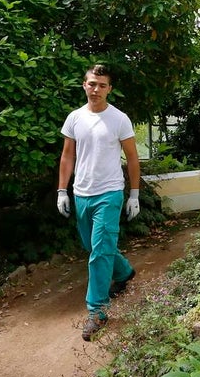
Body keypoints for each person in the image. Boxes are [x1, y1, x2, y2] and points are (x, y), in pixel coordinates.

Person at [56, 64, 141, 341]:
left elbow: (132, 158)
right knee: (92, 246)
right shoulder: (74, 118)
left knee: (100, 253)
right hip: (82, 193)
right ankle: (125, 272)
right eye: (92, 84)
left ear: (109, 89)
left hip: (109, 193)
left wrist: (134, 194)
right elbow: (68, 156)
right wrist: (62, 190)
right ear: (84, 85)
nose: (96, 89)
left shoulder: (119, 120)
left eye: (102, 85)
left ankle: (97, 311)